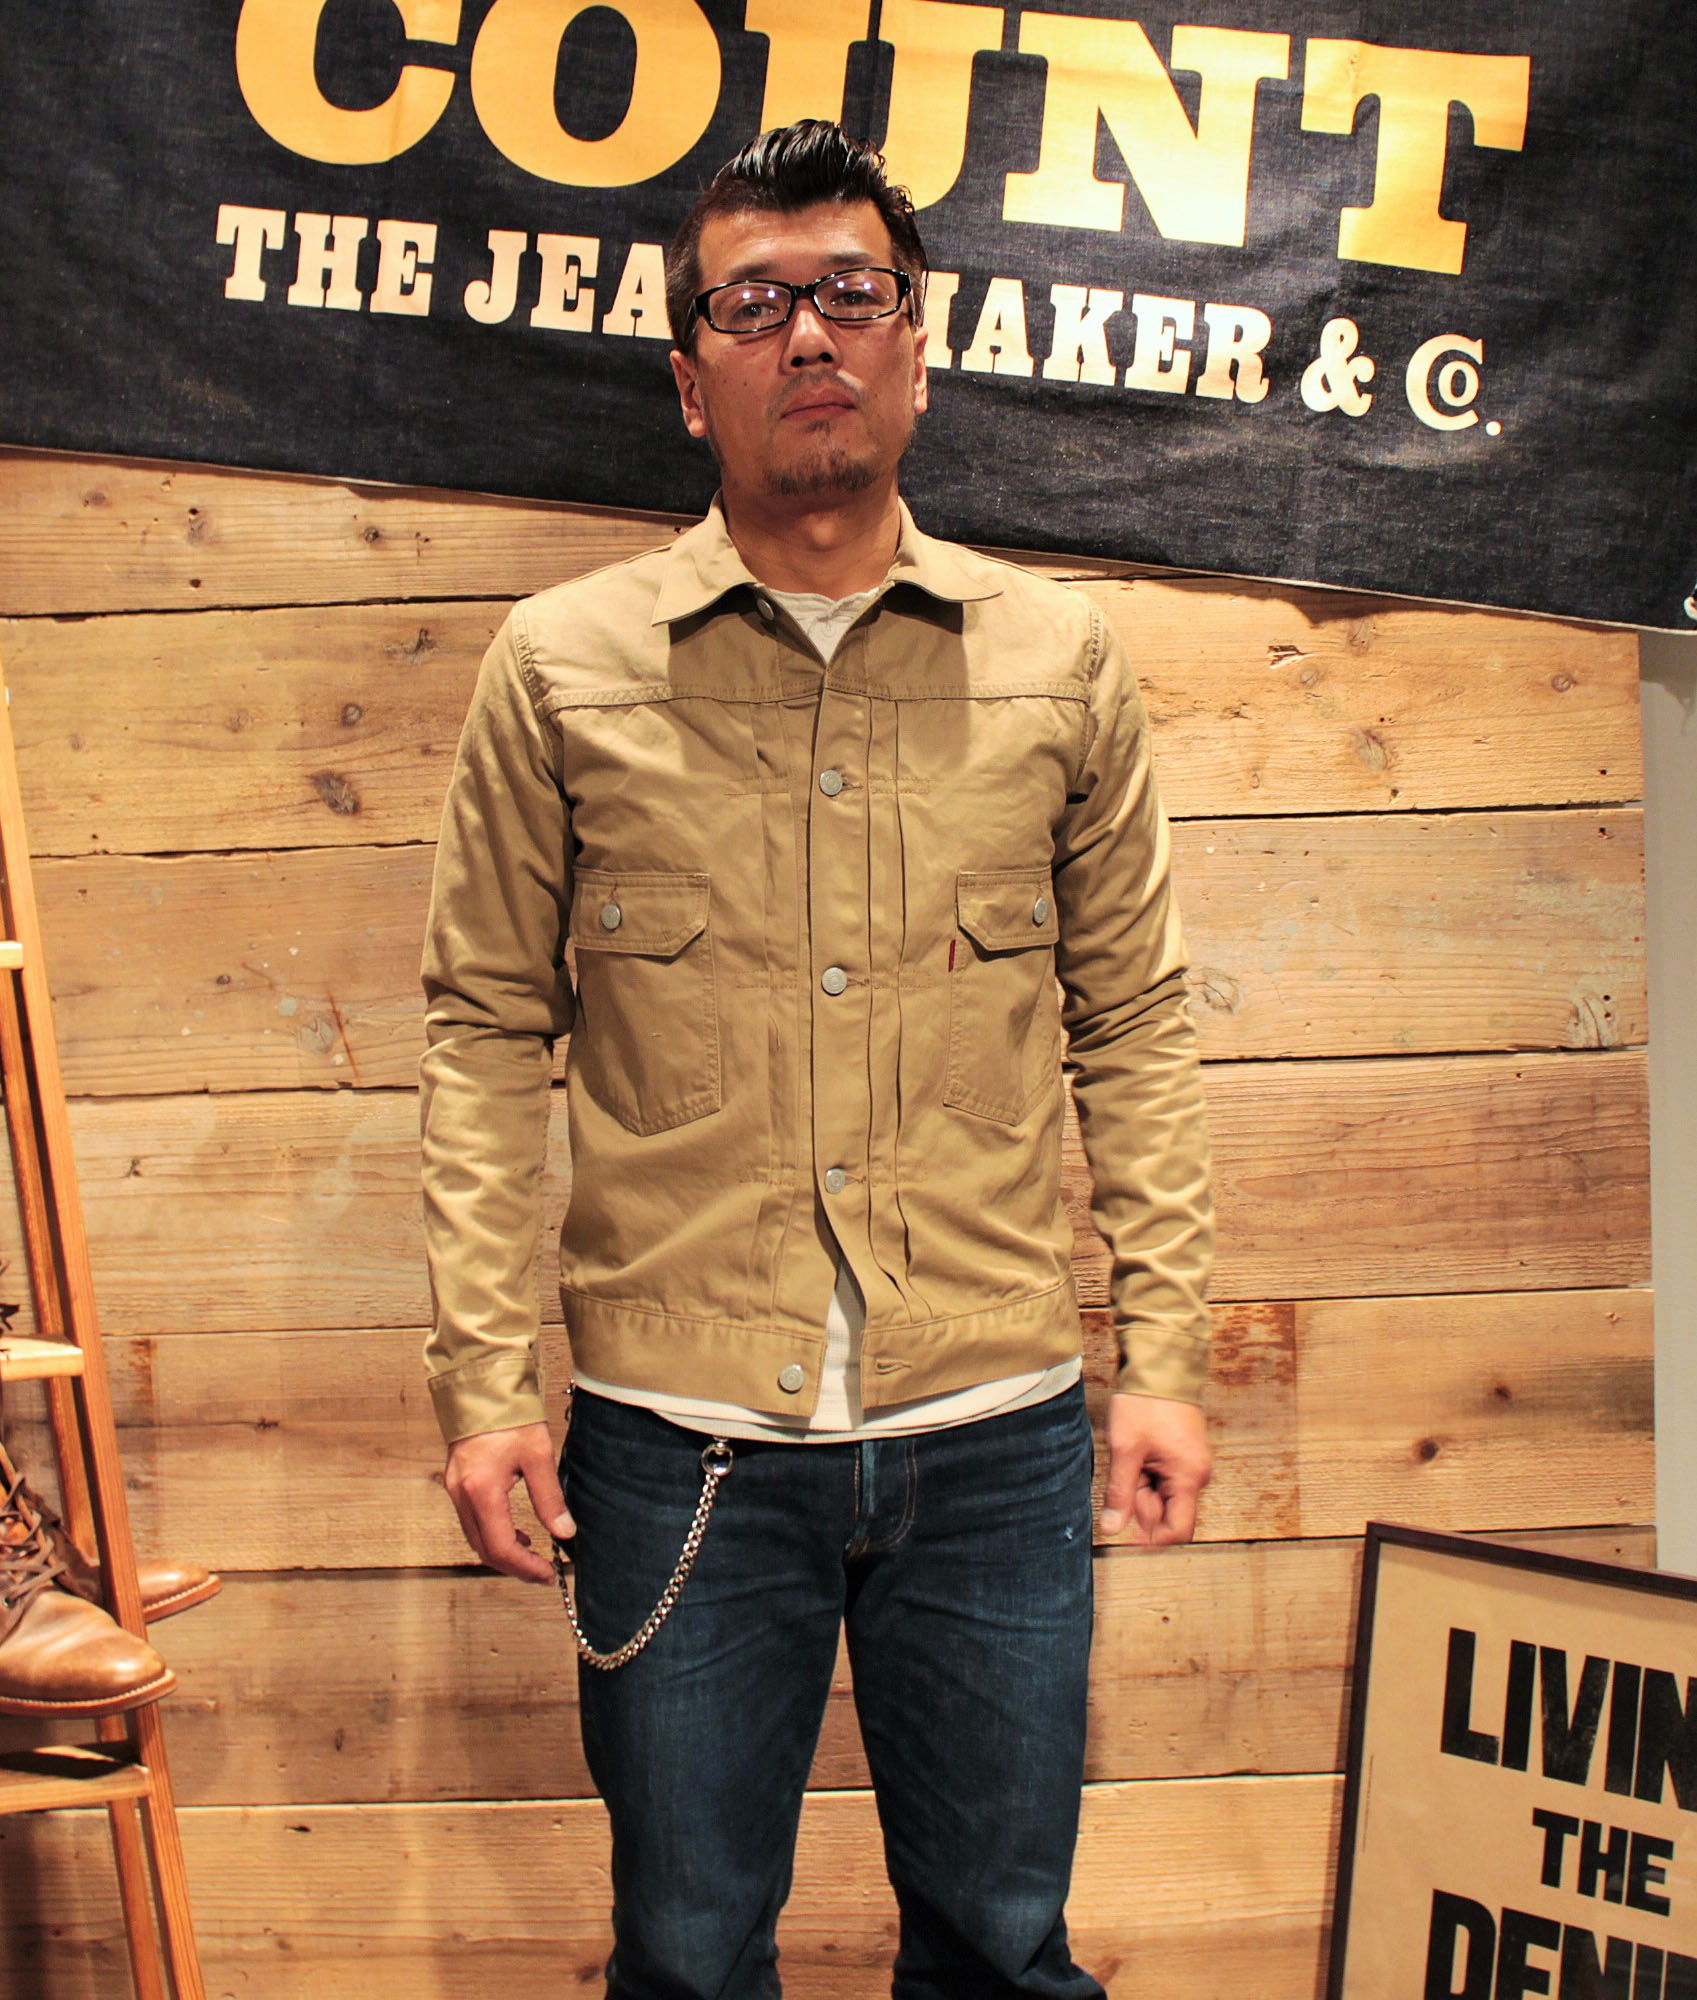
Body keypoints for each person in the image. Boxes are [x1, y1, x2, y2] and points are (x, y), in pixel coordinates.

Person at [419, 119, 1214, 1999]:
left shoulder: (1060, 661)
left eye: (852, 293)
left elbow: (1134, 1023)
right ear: (687, 379)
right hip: (677, 1444)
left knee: (1003, 1949)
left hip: (997, 1430)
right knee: (689, 1958)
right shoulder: (560, 665)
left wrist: (1164, 1358)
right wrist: (484, 1381)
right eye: (753, 303)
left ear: (916, 347)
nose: (808, 335)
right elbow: (482, 1030)